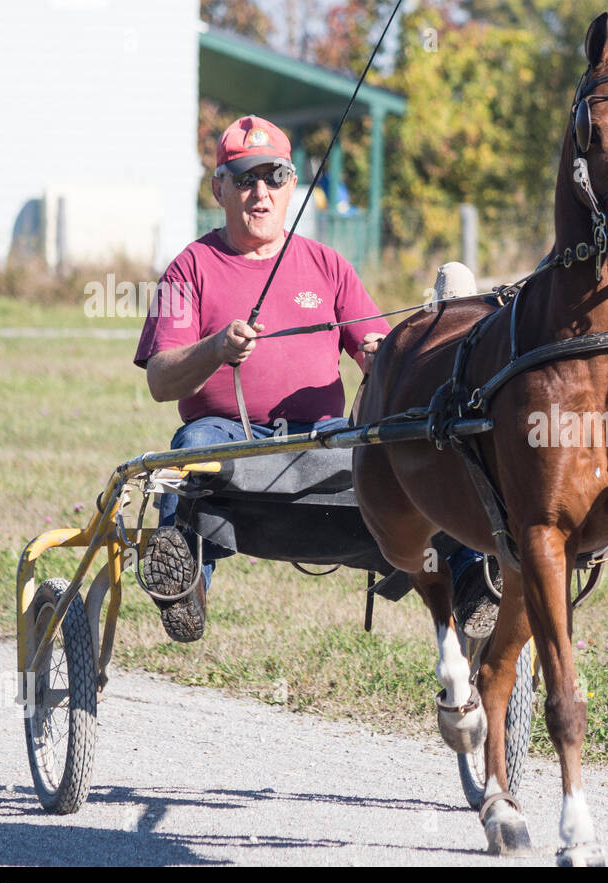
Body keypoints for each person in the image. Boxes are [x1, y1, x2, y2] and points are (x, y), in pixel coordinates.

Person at [133, 115, 494, 643]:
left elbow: (385, 359)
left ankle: (472, 577)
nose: (261, 192)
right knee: (189, 451)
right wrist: (216, 348)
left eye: (274, 177)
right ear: (219, 188)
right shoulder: (190, 267)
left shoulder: (328, 266)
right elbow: (162, 382)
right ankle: (185, 582)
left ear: (292, 186)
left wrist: (379, 357)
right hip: (226, 437)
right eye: (245, 178)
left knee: (404, 461)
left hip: (322, 436)